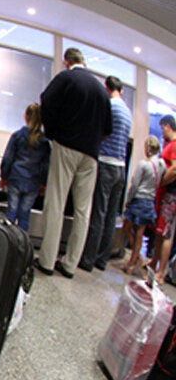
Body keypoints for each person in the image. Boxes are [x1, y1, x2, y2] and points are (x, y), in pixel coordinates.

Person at [35, 47, 112, 278]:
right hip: (91, 155)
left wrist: (53, 131)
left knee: (56, 202)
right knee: (83, 210)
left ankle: (47, 260)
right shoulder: (101, 90)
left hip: (66, 146)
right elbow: (108, 130)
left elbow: (46, 100)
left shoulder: (67, 78)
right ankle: (70, 264)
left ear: (67, 61)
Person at [78, 76, 133, 272]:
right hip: (121, 168)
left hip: (106, 164)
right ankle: (102, 260)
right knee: (111, 216)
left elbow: (102, 132)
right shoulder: (127, 111)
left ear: (107, 88)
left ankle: (87, 259)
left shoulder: (109, 106)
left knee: (98, 213)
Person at [0, 103, 50, 231]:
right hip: (33, 182)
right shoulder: (44, 142)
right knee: (25, 215)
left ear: (26, 116)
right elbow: (45, 165)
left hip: (15, 178)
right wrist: (44, 183)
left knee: (11, 211)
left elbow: (8, 158)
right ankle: (21, 245)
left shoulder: (17, 136)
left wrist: (4, 176)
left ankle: (8, 242)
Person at [121, 136, 165, 276]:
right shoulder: (161, 165)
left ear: (147, 148)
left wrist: (129, 199)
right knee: (140, 234)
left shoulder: (143, 164)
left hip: (139, 199)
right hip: (150, 202)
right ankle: (134, 261)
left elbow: (135, 184)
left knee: (126, 227)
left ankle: (133, 261)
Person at [150, 114, 176, 283]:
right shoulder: (170, 145)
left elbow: (174, 169)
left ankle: (160, 272)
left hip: (171, 193)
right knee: (160, 232)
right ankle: (153, 265)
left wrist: (160, 182)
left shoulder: (174, 145)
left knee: (165, 233)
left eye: (162, 128)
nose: (162, 131)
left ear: (168, 126)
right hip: (166, 193)